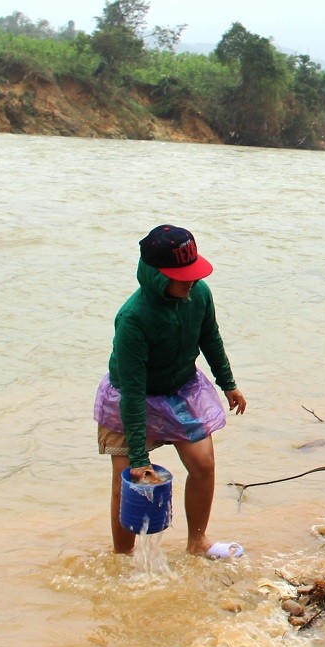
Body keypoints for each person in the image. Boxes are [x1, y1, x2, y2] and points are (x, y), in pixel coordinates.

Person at [94, 225, 247, 558]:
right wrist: (138, 458)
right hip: (132, 399)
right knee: (127, 483)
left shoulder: (200, 294)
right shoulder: (133, 319)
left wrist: (228, 383)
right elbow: (133, 393)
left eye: (193, 273)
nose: (191, 281)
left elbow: (211, 339)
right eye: (182, 276)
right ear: (157, 276)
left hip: (179, 388)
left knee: (204, 464)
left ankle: (198, 542)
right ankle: (123, 558)